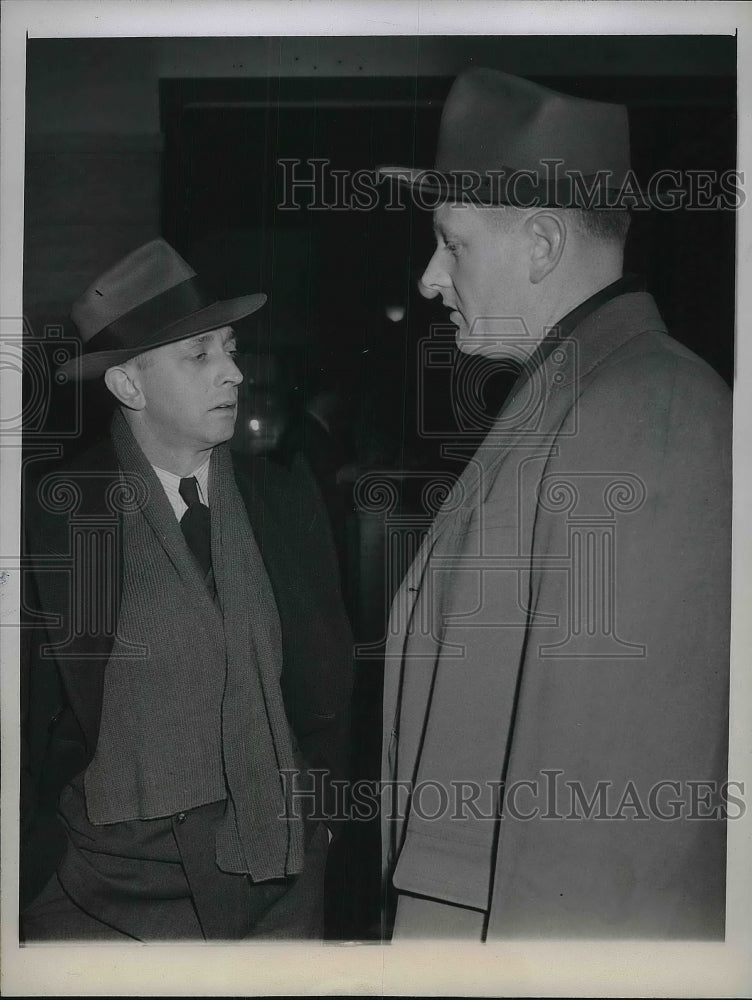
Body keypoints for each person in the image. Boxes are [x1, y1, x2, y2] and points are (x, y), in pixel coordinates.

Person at [378, 69, 731, 939]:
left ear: (539, 245)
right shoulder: (582, 390)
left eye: (451, 243)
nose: (428, 277)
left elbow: (604, 832)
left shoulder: (648, 411)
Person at [20, 238, 353, 941]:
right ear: (128, 386)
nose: (232, 372)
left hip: (282, 883)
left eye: (229, 347)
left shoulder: (284, 497)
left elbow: (331, 677)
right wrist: (38, 871)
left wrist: (322, 820)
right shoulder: (53, 521)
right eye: (199, 356)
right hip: (111, 894)